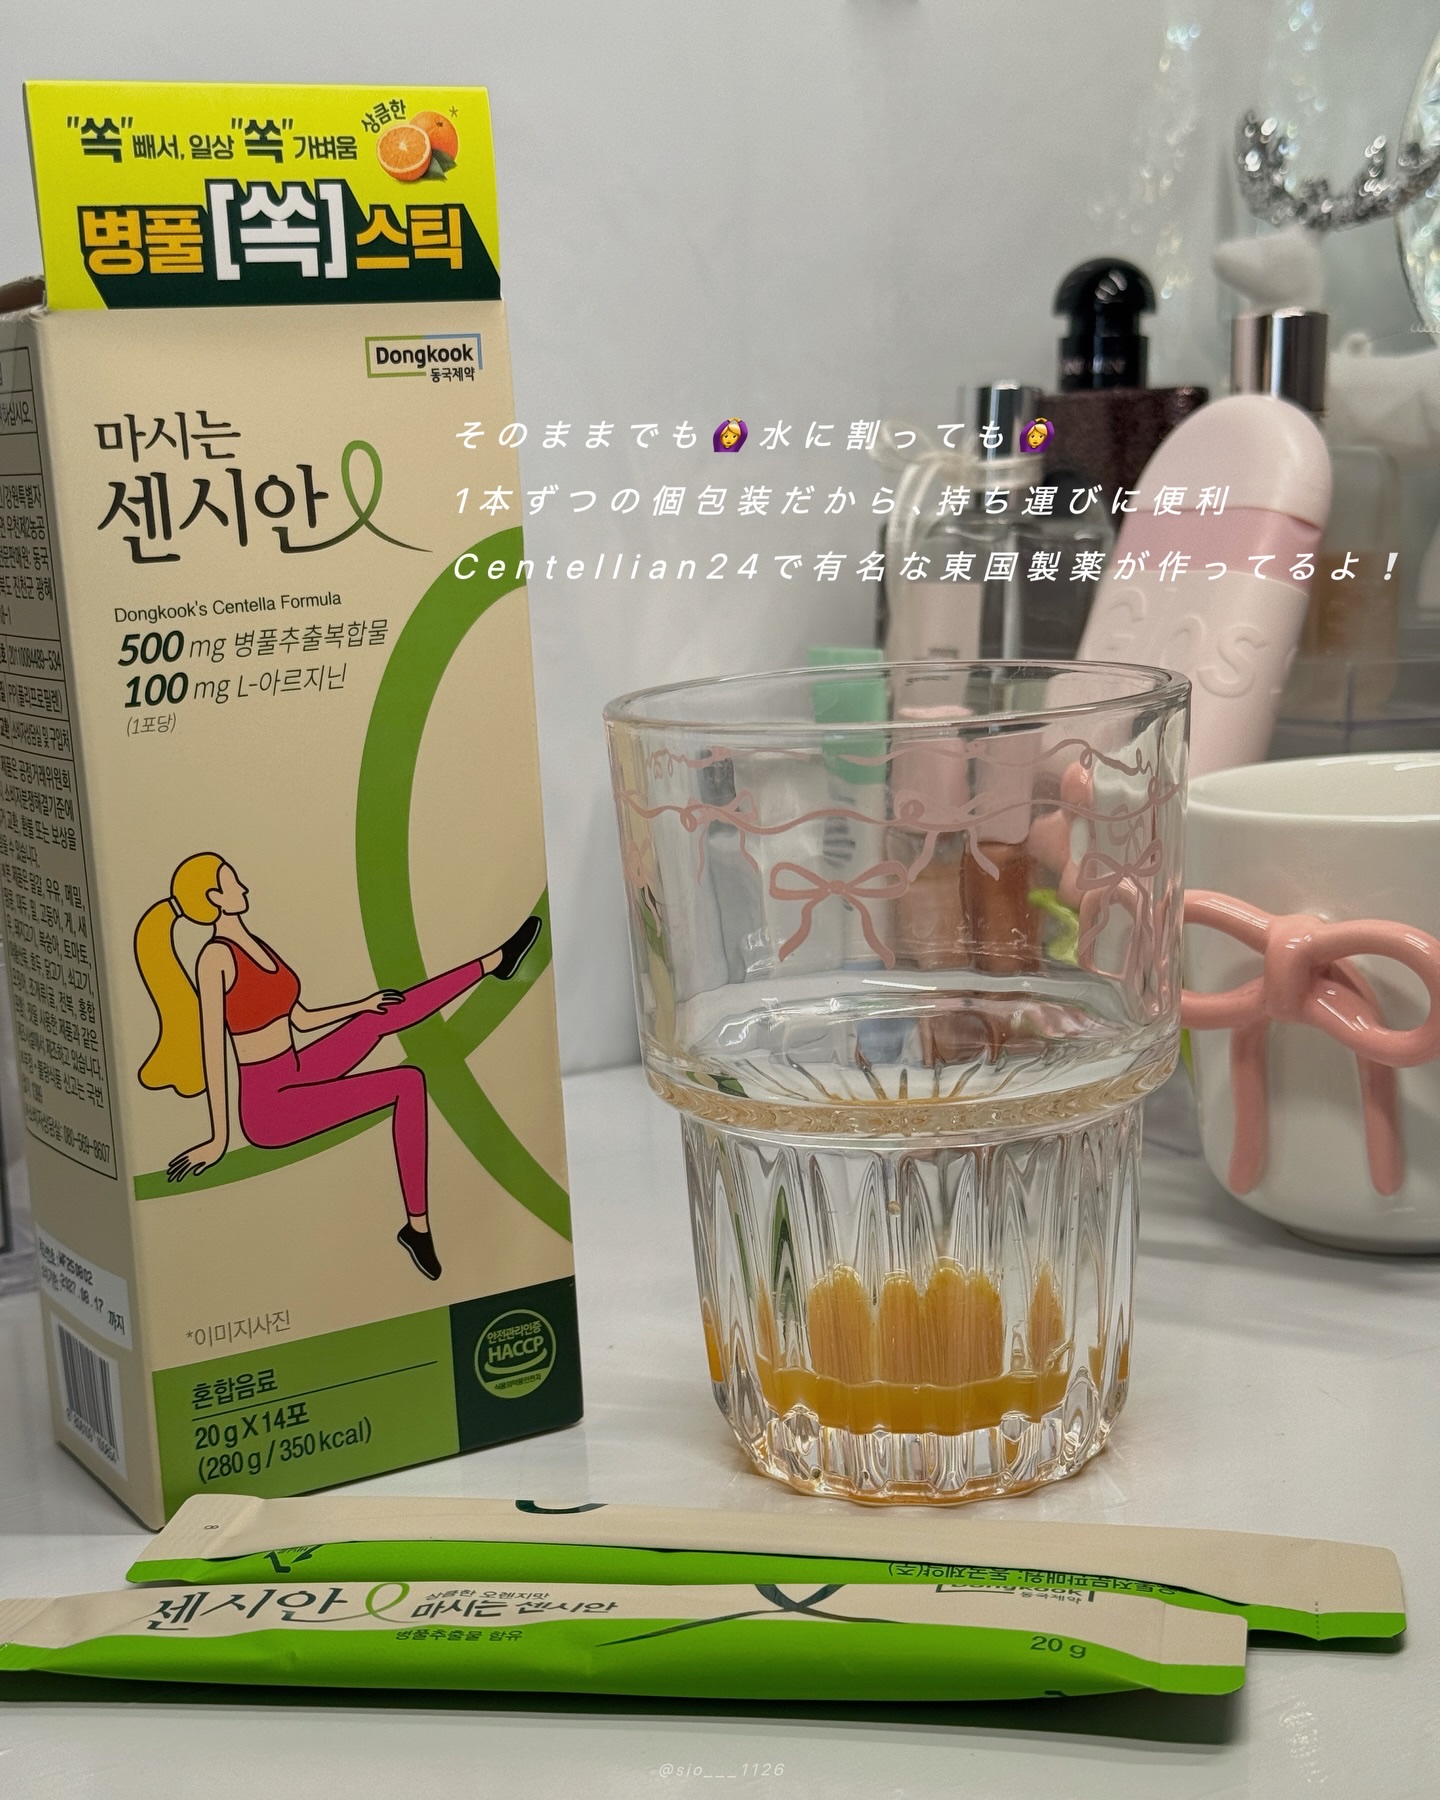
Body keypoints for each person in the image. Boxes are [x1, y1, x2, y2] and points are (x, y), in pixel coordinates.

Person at [134, 851, 541, 1281]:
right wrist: (219, 1138)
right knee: (407, 1082)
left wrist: (361, 1005)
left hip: (294, 1069)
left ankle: (495, 962)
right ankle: (417, 1228)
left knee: (380, 1013)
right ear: (214, 897)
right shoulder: (215, 958)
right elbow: (213, 1049)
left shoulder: (256, 944)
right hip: (270, 1108)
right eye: (232, 881)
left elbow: (301, 1018)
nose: (243, 887)